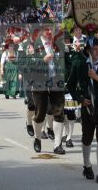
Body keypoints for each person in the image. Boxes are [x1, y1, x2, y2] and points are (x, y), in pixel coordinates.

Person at [67, 38, 98, 184]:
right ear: (88, 51)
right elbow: (70, 85)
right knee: (86, 138)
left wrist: (97, 78)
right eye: (94, 49)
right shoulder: (80, 64)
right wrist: (80, 98)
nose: (97, 52)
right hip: (87, 107)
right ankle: (87, 165)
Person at [28, 20, 66, 155]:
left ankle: (57, 144)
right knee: (40, 115)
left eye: (51, 29)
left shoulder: (58, 44)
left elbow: (65, 61)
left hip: (56, 82)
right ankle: (37, 138)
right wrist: (42, 60)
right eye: (46, 29)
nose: (49, 32)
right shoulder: (33, 45)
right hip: (40, 82)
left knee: (59, 113)